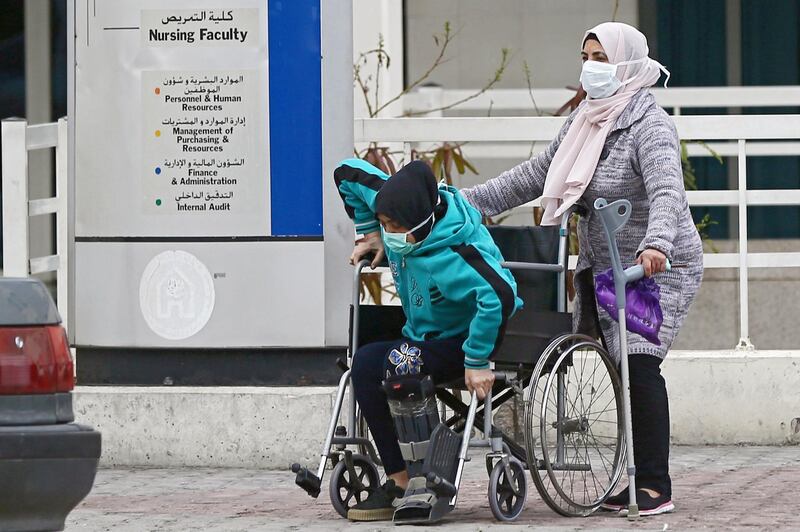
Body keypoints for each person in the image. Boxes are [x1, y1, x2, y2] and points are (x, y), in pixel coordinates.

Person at [459, 22, 704, 516]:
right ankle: (631, 476)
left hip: (656, 266)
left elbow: (666, 193)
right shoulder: (585, 121)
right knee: (618, 366)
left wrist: (656, 244)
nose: (591, 67)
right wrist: (463, 204)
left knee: (637, 363)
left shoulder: (649, 125)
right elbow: (536, 175)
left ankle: (654, 485)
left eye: (602, 58)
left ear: (629, 65)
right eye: (586, 56)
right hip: (603, 265)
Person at [334, 158, 522, 521]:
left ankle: (428, 479)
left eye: (394, 227)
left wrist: (478, 360)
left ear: (422, 224)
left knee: (398, 362)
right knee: (364, 363)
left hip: (462, 340)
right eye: (386, 224)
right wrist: (370, 230)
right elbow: (346, 173)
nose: (391, 234)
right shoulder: (399, 201)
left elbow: (501, 296)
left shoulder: (456, 252)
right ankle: (400, 480)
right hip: (419, 335)